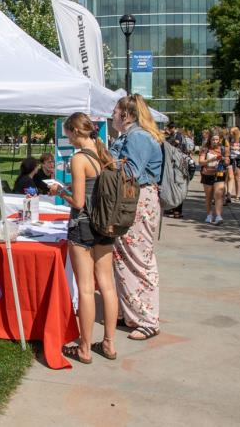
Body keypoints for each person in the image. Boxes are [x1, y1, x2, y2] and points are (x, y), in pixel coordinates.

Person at [48, 113, 118, 364]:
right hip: (106, 225)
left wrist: (60, 190)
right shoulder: (105, 155)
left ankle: (85, 347)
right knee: (107, 286)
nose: (67, 138)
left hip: (84, 225)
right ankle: (109, 343)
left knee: (87, 288)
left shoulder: (79, 159)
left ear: (76, 131)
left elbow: (78, 202)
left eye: (67, 133)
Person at [109, 94, 164, 341]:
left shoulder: (138, 137)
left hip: (138, 200)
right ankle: (131, 312)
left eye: (115, 111)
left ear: (127, 115)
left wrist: (106, 162)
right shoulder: (131, 136)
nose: (112, 114)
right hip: (133, 200)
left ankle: (148, 320)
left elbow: (131, 171)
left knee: (139, 259)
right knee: (123, 258)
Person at [199, 129, 229, 224]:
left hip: (219, 173)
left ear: (219, 139)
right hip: (207, 174)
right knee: (209, 196)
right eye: (213, 140)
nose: (215, 141)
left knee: (219, 195)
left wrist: (224, 160)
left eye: (217, 139)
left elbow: (228, 161)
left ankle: (219, 216)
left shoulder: (223, 149)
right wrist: (211, 159)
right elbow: (200, 162)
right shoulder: (205, 148)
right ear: (209, 140)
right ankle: (209, 215)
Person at [165, 123, 190, 217]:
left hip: (178, 164)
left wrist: (167, 139)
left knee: (178, 186)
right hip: (173, 163)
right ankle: (172, 208)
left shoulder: (178, 135)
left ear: (173, 128)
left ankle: (177, 211)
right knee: (172, 186)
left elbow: (175, 143)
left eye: (169, 128)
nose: (168, 130)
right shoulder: (172, 135)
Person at [226, 127, 240, 202]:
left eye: (233, 133)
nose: (231, 134)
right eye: (230, 133)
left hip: (239, 159)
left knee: (237, 178)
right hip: (230, 159)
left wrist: (238, 149)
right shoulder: (228, 138)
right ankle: (228, 195)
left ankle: (237, 195)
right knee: (230, 176)